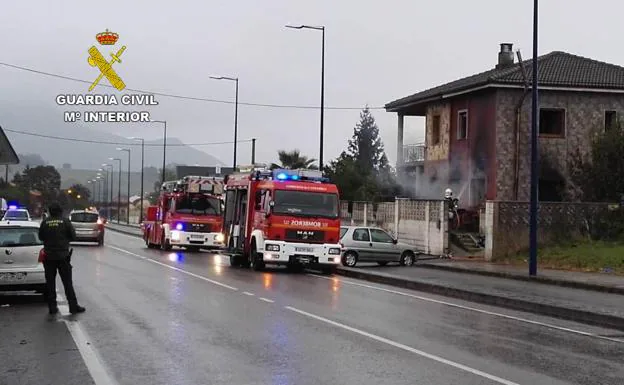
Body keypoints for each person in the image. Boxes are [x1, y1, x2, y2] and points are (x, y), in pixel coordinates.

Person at [38, 202, 85, 315]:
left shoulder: (45, 222)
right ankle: (73, 306)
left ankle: (52, 307)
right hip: (63, 256)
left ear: (49, 211)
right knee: (67, 283)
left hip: (48, 257)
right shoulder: (65, 222)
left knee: (50, 283)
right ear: (60, 211)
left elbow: (40, 237)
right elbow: (73, 236)